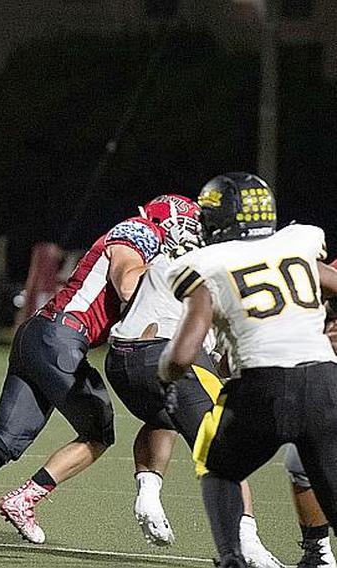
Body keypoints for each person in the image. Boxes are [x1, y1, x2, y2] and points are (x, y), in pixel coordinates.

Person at [0, 194, 197, 558]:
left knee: (6, 438)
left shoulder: (146, 242)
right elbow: (128, 284)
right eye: (187, 229)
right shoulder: (137, 232)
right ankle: (25, 499)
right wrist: (167, 271)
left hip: (40, 335)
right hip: (62, 337)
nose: (190, 238)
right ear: (167, 223)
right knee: (99, 432)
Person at [159, 172, 337, 568]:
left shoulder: (207, 262)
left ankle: (231, 557)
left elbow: (184, 353)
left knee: (218, 468)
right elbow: (328, 281)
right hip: (326, 381)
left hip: (262, 385)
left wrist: (166, 374)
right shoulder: (298, 242)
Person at [103, 213, 281, 567]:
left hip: (121, 361)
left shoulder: (165, 259)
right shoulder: (225, 267)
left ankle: (148, 494)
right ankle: (248, 545)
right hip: (167, 353)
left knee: (162, 419)